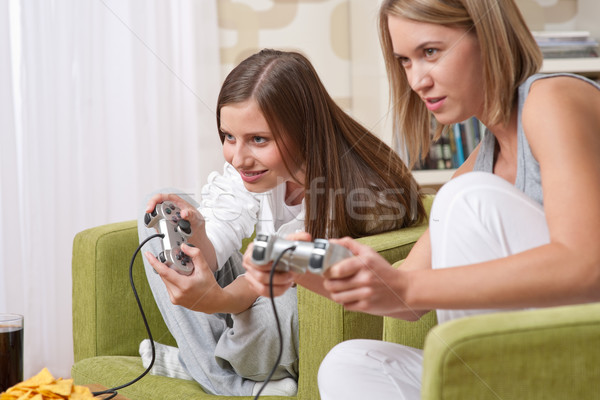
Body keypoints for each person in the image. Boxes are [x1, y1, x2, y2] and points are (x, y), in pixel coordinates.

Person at [242, 1, 600, 399]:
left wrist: (408, 286)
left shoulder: (553, 100)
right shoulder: (478, 166)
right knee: (349, 364)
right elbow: (403, 298)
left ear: (489, 36)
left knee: (464, 197)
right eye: (404, 61)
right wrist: (297, 269)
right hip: (523, 367)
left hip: (582, 357)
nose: (417, 81)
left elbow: (587, 265)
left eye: (430, 52)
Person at [137, 48, 427, 397]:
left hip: (283, 297)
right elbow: (222, 245)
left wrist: (217, 301)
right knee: (163, 211)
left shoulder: (360, 197)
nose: (239, 158)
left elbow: (271, 277)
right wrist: (198, 232)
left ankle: (204, 367)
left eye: (258, 139)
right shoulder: (252, 172)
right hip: (252, 293)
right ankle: (218, 371)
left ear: (304, 130)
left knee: (283, 309)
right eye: (229, 137)